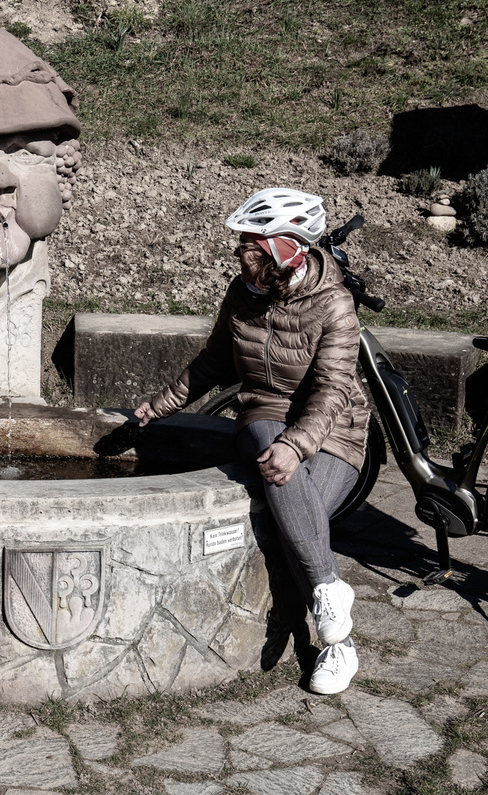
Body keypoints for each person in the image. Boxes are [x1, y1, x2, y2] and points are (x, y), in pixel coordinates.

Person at [134, 188, 370, 695]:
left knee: (294, 520)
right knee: (270, 448)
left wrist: (297, 445)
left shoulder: (335, 304)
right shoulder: (241, 294)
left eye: (249, 246)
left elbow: (333, 389)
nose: (239, 254)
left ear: (283, 250)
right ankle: (332, 608)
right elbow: (214, 361)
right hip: (264, 413)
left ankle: (335, 634)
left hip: (335, 429)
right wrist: (160, 405)